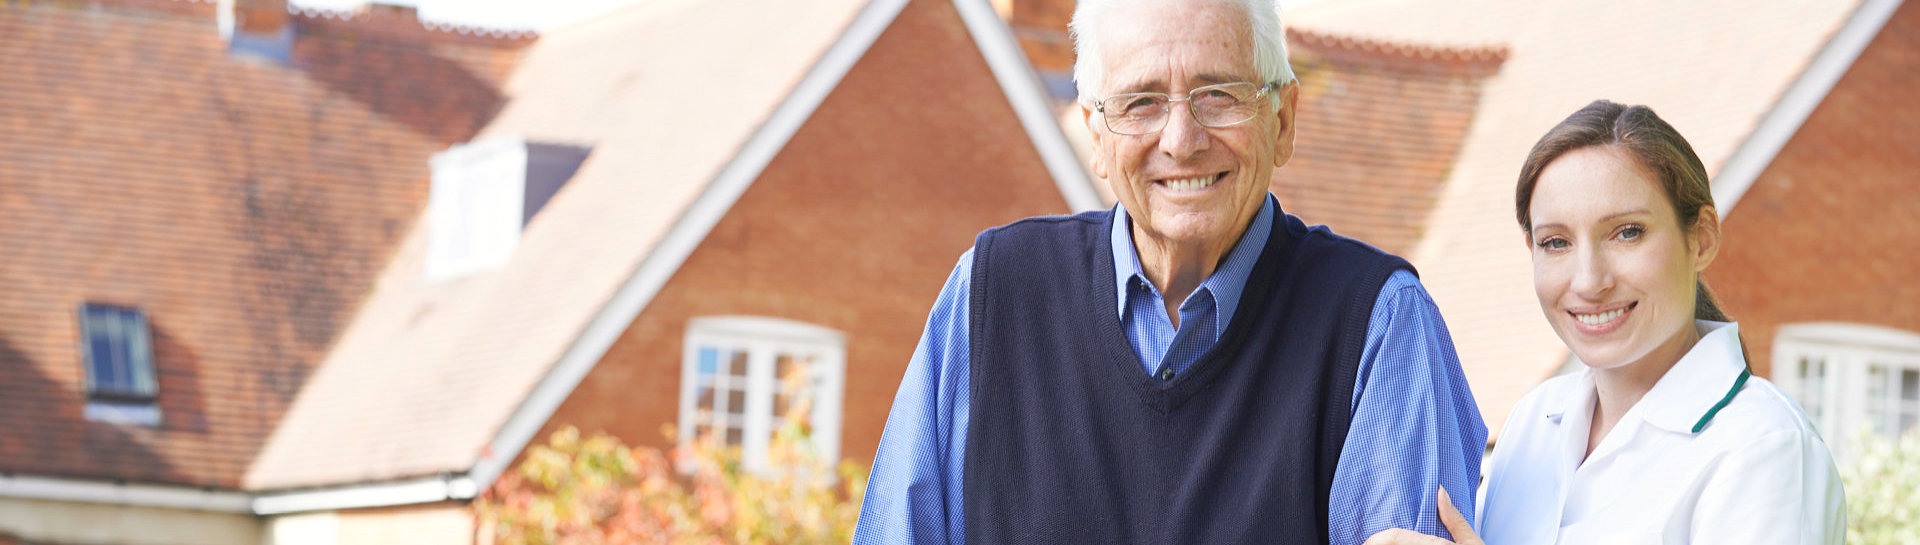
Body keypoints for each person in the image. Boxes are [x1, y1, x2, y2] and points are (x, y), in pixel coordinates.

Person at [852, 0, 1486, 543]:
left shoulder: (1377, 323)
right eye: (1141, 102)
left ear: (1284, 120)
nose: (1181, 139)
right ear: (1097, 135)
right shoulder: (990, 296)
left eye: (1218, 95)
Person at [1363, 101, 1845, 545]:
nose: (1589, 281)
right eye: (1556, 242)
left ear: (1700, 239)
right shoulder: (1534, 421)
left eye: (1626, 233)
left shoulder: (1765, 447)